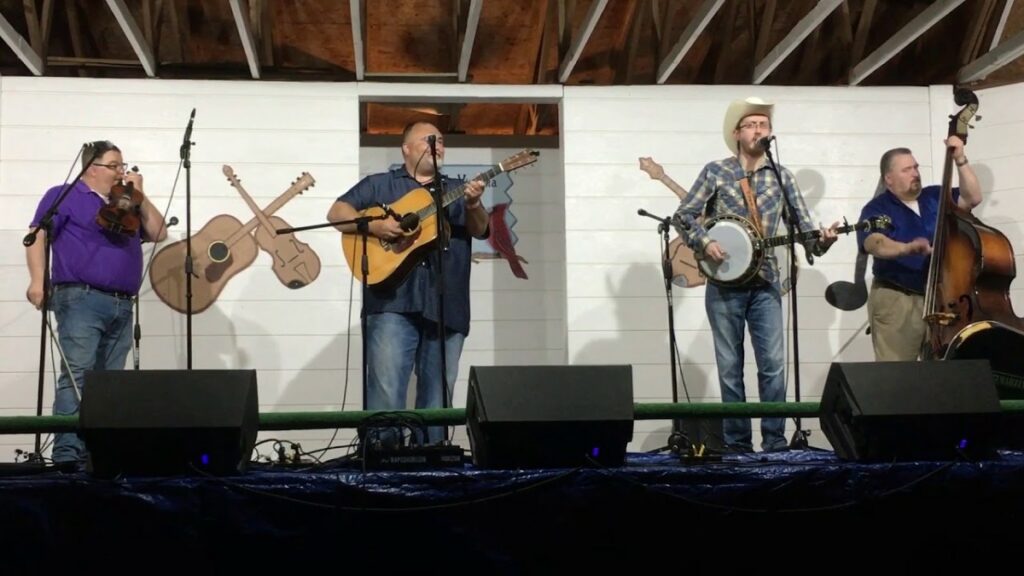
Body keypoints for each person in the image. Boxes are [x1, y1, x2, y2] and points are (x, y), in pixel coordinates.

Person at [672, 97, 838, 453]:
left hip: (766, 282)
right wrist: (705, 243)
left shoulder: (781, 177)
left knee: (774, 366)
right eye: (751, 124)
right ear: (736, 133)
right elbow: (684, 216)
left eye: (764, 124)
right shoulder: (716, 171)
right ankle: (738, 446)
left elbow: (805, 233)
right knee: (730, 368)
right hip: (724, 284)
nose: (759, 129)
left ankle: (775, 442)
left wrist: (822, 240)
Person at [327, 121, 489, 446]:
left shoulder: (455, 190)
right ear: (406, 148)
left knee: (438, 396)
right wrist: (374, 228)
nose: (437, 146)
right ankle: (383, 468)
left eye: (441, 141)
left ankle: (433, 470)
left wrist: (473, 204)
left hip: (447, 307)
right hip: (390, 304)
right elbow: (336, 212)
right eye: (428, 140)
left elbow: (480, 229)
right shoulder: (380, 185)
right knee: (386, 391)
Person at [25, 140, 168, 465]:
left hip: (122, 303)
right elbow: (38, 234)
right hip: (81, 298)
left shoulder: (125, 202)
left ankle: (96, 454)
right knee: (77, 374)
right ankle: (66, 455)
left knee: (108, 383)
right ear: (92, 167)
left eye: (123, 165)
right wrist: (37, 280)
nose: (122, 171)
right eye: (115, 165)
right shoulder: (66, 194)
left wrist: (140, 196)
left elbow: (158, 232)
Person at [857, 139, 981, 361]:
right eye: (906, 169)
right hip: (898, 299)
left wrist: (960, 159)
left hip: (942, 299)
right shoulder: (876, 208)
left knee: (940, 373)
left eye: (915, 167)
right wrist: (907, 248)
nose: (915, 173)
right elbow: (875, 243)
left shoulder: (935, 196)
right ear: (889, 179)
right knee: (897, 375)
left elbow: (973, 197)